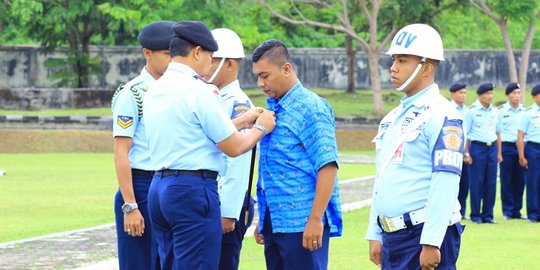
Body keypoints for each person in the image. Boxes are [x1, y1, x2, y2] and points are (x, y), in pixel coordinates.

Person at [143, 20, 276, 270]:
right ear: (196, 52)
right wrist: (261, 128)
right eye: (209, 56)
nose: (208, 64)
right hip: (191, 190)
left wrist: (240, 121)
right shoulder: (200, 90)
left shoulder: (156, 89)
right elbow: (234, 148)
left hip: (159, 188)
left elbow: (193, 135)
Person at [366, 24, 464, 270]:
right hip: (393, 236)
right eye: (394, 60)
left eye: (402, 60)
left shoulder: (442, 114)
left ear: (426, 68)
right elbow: (383, 177)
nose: (393, 67)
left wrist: (432, 241)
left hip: (423, 234)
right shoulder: (392, 117)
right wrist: (375, 232)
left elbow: (445, 180)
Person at [251, 39, 343, 270]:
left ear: (286, 69)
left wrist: (314, 220)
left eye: (265, 76)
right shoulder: (273, 110)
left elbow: (328, 166)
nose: (260, 83)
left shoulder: (312, 108)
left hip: (302, 222)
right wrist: (264, 220)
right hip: (276, 221)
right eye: (257, 77)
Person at [111, 21, 174, 270]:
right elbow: (121, 152)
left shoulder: (176, 91)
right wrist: (130, 206)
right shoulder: (133, 94)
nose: (173, 60)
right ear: (147, 53)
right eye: (167, 54)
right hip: (140, 187)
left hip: (167, 186)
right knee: (139, 263)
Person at [204, 28, 255, 270]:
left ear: (230, 64)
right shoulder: (211, 98)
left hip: (226, 202)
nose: (206, 64)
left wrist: (229, 211)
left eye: (213, 59)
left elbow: (238, 160)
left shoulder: (238, 104)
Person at [465, 83, 501, 224]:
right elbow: (466, 134)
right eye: (487, 94)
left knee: (491, 183)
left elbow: (498, 133)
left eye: (491, 93)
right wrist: (466, 153)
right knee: (477, 182)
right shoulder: (471, 111)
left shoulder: (495, 111)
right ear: (480, 95)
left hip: (492, 148)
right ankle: (475, 215)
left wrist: (499, 152)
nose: (489, 96)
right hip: (477, 148)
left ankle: (488, 215)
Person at [498, 82, 526, 220]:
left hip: (521, 148)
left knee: (520, 180)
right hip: (506, 147)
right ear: (508, 95)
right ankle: (508, 211)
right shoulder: (501, 111)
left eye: (519, 93)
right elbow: (498, 132)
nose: (517, 96)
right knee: (507, 180)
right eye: (514, 93)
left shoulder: (525, 111)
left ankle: (517, 210)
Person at [517, 84, 540, 223]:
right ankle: (533, 213)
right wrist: (522, 156)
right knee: (533, 182)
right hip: (533, 149)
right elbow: (520, 136)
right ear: (534, 97)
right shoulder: (528, 113)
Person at [449, 82, 471, 219]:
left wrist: (467, 153)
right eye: (460, 93)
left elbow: (467, 134)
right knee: (451, 183)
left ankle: (461, 212)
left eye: (465, 92)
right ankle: (450, 212)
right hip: (452, 151)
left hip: (465, 151)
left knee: (464, 184)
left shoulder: (467, 111)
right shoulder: (447, 109)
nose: (463, 95)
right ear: (453, 94)